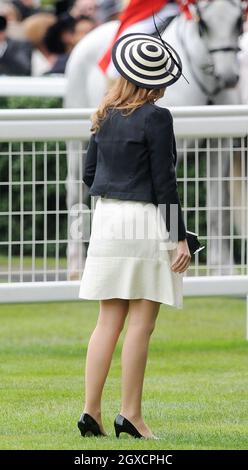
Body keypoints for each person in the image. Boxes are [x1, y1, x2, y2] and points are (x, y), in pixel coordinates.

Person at [77, 30, 191, 439]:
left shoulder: (104, 112)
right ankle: (131, 416)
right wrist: (179, 237)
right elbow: (165, 182)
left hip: (107, 221)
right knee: (141, 323)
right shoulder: (157, 117)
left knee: (107, 322)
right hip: (144, 222)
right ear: (158, 78)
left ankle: (91, 412)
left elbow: (89, 176)